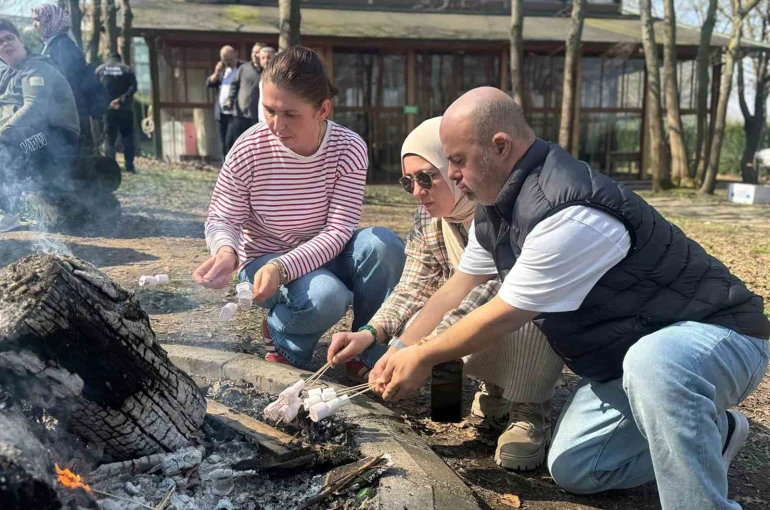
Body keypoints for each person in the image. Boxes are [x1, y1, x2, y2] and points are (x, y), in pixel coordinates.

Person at [374, 87, 770, 510]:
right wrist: (400, 348)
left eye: (457, 160)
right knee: (577, 467)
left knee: (654, 362)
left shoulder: (567, 209)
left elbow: (506, 312)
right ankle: (713, 433)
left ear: (500, 146)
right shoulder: (496, 204)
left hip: (716, 336)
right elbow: (457, 288)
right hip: (627, 362)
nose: (452, 174)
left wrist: (425, 356)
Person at [327, 117, 564, 470]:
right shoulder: (429, 218)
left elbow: (492, 294)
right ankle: (493, 391)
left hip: (519, 311)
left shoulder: (503, 210)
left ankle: (530, 407)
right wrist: (371, 334)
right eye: (408, 182)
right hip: (468, 311)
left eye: (426, 177)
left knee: (523, 310)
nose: (417, 191)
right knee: (443, 401)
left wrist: (419, 351)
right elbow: (415, 285)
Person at [193, 46, 406, 370]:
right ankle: (284, 336)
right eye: (269, 110)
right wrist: (225, 252)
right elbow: (224, 216)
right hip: (264, 260)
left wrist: (285, 267)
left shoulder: (348, 149)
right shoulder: (249, 148)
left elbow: (339, 231)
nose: (276, 126)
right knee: (327, 295)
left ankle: (365, 351)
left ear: (323, 109)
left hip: (322, 253)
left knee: (384, 246)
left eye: (290, 115)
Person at [0, 18, 80, 232]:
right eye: (0, 42)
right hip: (28, 134)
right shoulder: (8, 73)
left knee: (5, 150)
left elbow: (34, 109)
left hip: (55, 135)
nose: (5, 44)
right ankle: (23, 210)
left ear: (21, 41)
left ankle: (9, 212)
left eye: (9, 38)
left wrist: (2, 134)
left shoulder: (38, 69)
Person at [32, 3, 108, 149]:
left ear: (50, 21)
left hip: (69, 120)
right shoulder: (56, 45)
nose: (34, 25)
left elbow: (68, 85)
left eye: (37, 19)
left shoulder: (62, 46)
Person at [96, 53, 137, 173]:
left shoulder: (100, 70)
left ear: (107, 59)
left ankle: (110, 167)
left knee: (109, 138)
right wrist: (120, 100)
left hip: (107, 110)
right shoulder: (127, 70)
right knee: (127, 137)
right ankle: (129, 166)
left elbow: (95, 89)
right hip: (124, 109)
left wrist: (106, 102)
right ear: (120, 59)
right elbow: (133, 88)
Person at [206, 45, 243, 158]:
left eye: (229, 59)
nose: (227, 62)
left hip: (236, 112)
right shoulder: (223, 71)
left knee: (230, 142)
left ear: (235, 54)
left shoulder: (243, 68)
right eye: (224, 60)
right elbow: (209, 83)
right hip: (221, 113)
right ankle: (225, 164)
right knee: (223, 142)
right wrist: (216, 73)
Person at [226, 42, 265, 143]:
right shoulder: (243, 68)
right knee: (235, 142)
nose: (255, 55)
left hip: (256, 116)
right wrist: (230, 99)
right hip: (240, 114)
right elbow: (234, 85)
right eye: (253, 52)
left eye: (258, 52)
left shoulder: (267, 72)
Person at [256, 46, 275, 125]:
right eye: (263, 58)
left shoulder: (276, 75)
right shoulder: (262, 74)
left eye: (269, 57)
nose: (266, 60)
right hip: (262, 117)